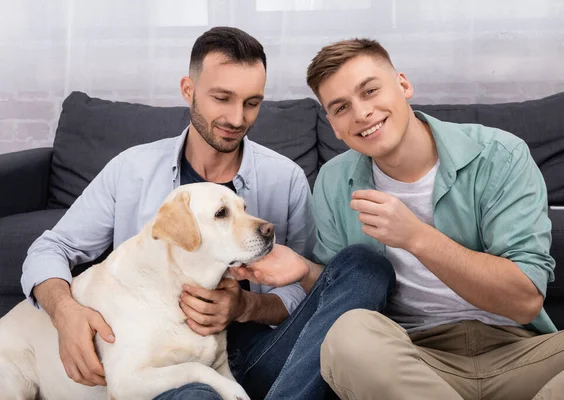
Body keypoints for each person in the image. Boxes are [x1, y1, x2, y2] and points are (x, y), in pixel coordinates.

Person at [21, 27, 393, 400]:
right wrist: (64, 311)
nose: (236, 117)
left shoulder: (286, 178)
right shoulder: (131, 170)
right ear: (189, 89)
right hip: (166, 367)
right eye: (222, 98)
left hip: (262, 354)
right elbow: (50, 249)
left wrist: (247, 306)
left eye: (252, 102)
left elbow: (310, 296)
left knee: (363, 265)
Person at [240, 38, 564, 399]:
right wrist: (304, 271)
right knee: (346, 334)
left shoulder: (500, 156)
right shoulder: (334, 182)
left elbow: (524, 301)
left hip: (519, 354)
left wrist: (416, 237)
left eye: (370, 91)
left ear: (403, 85)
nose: (362, 113)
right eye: (341, 107)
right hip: (411, 361)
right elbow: (346, 291)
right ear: (333, 125)